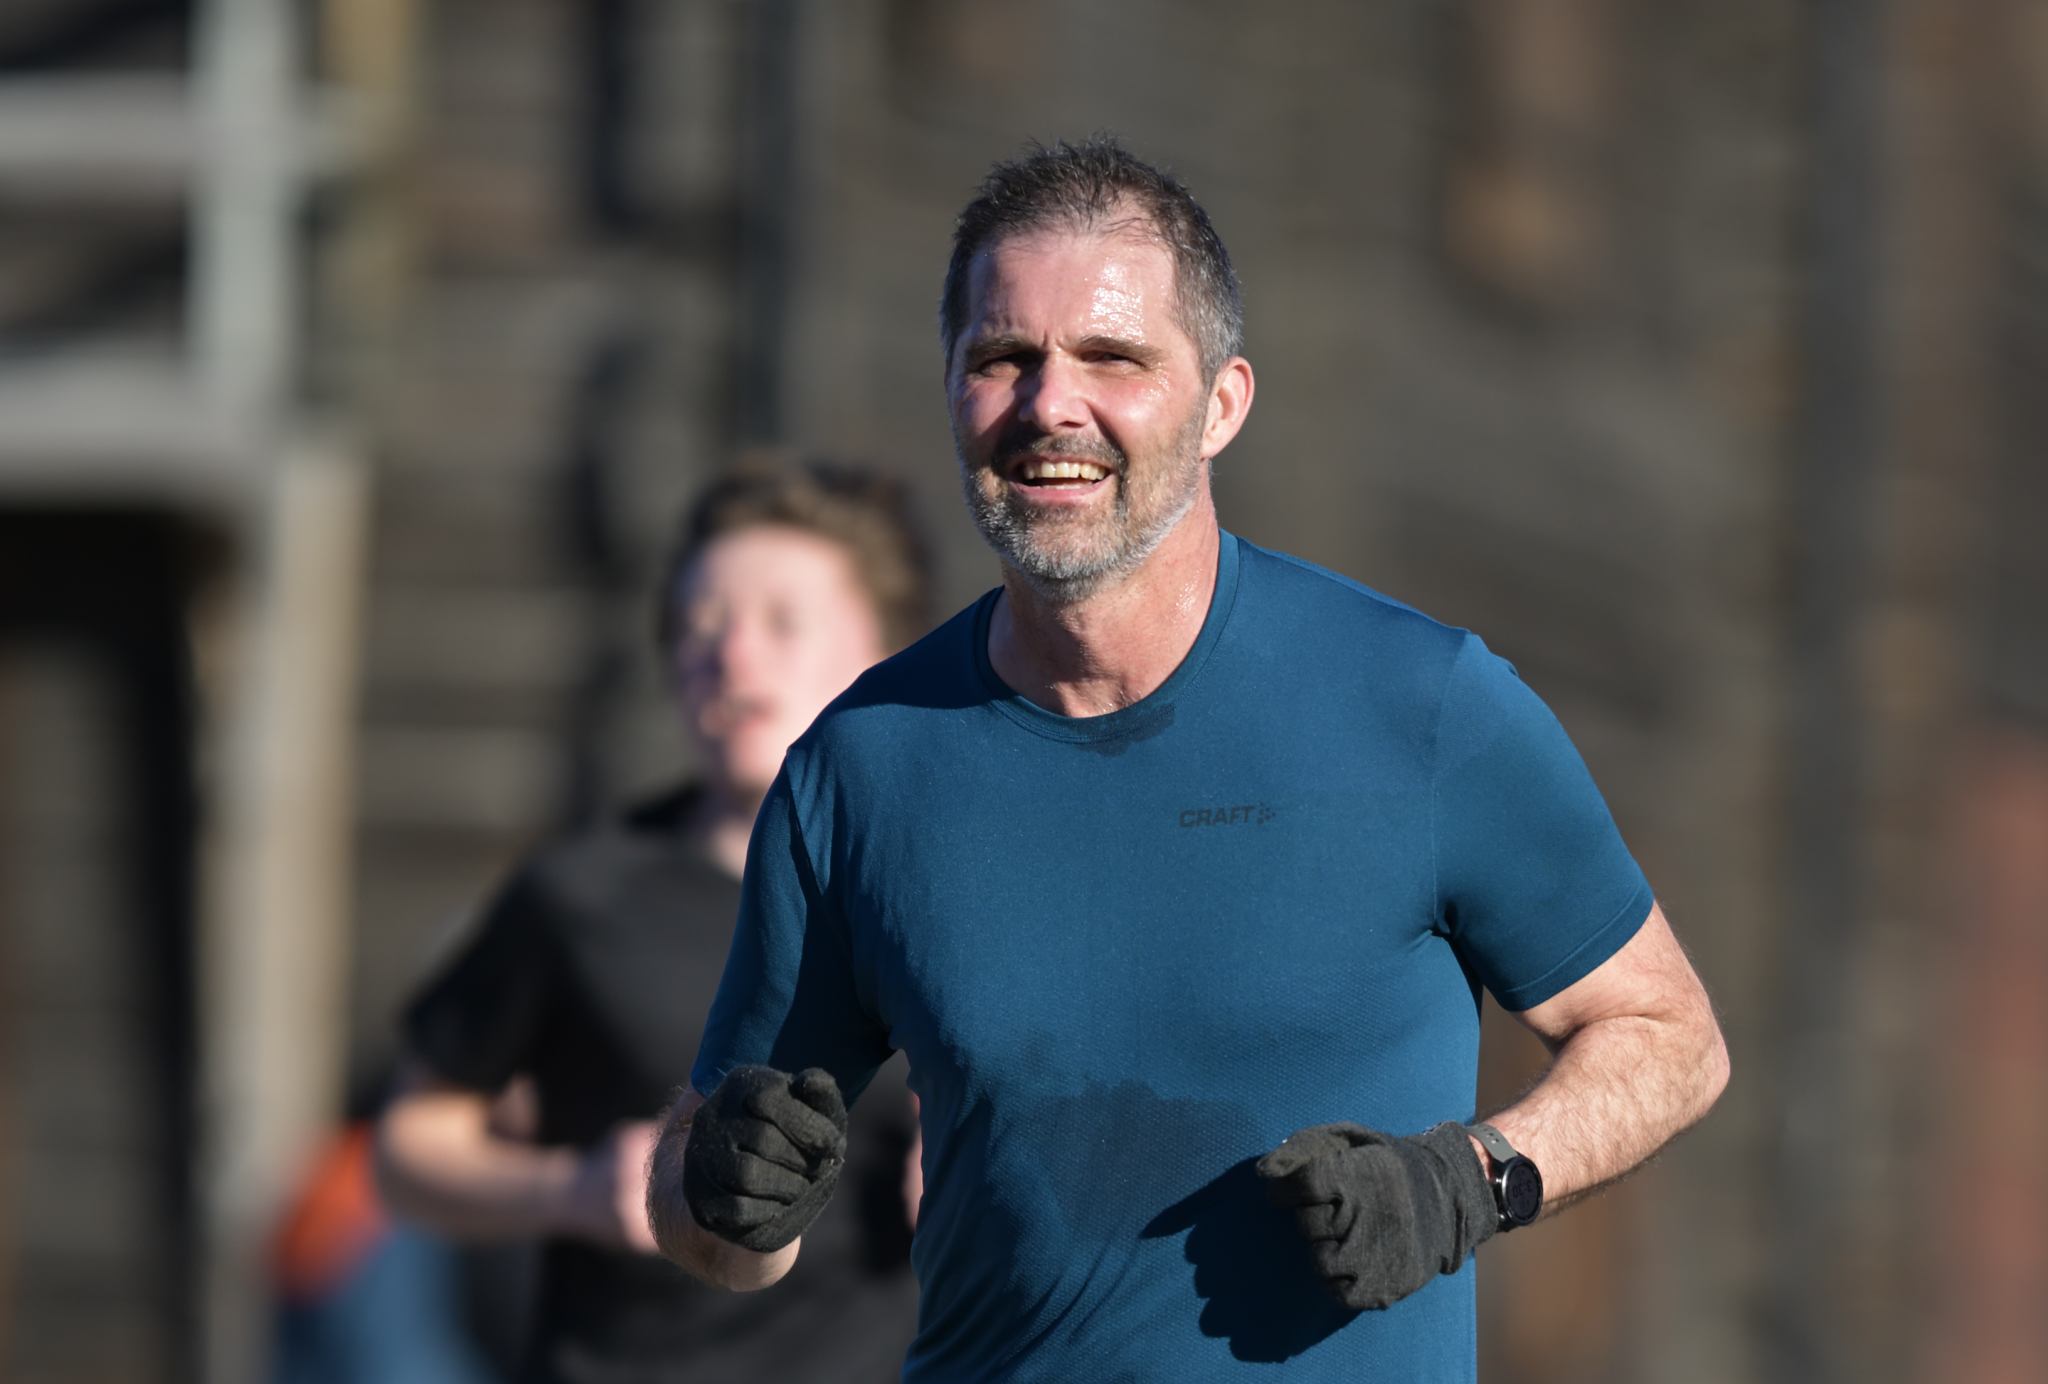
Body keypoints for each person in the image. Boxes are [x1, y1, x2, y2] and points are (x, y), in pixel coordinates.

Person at [648, 139, 1729, 1382]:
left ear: (1221, 403)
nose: (1050, 405)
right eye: (1002, 357)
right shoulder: (861, 766)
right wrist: (715, 1185)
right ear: (950, 387)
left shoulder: (1421, 703)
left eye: (1112, 357)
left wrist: (1468, 1181)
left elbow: (1666, 1036)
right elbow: (710, 1218)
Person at [375, 461, 931, 1383]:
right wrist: (576, 1189)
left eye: (781, 622)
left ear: (882, 655)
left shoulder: (956, 893)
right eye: (701, 625)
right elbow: (406, 1151)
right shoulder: (582, 894)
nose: (732, 655)